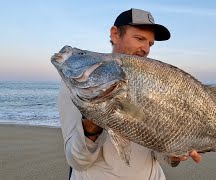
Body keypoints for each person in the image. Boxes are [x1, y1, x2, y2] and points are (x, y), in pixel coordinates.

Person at [59, 8, 201, 180]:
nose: (145, 49)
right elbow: (78, 161)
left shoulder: (153, 82)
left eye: (150, 43)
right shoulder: (82, 85)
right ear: (115, 34)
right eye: (139, 38)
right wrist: (92, 124)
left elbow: (159, 153)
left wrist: (174, 154)